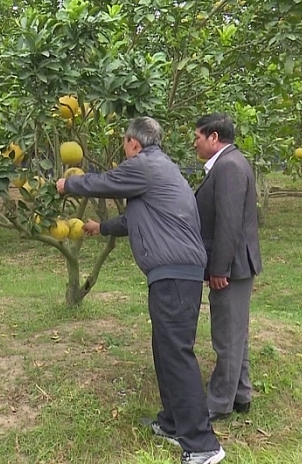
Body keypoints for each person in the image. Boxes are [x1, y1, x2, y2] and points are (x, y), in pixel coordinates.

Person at [56, 117, 225, 464]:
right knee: (165, 350)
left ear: (134, 143)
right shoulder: (160, 173)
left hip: (176, 275)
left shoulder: (146, 165)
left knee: (176, 354)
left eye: (124, 144)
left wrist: (68, 185)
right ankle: (175, 424)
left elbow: (107, 183)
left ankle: (204, 445)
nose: (123, 151)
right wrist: (100, 226)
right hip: (172, 275)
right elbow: (136, 220)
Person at [192, 112, 263, 422]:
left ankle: (219, 403)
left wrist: (219, 268)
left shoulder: (230, 167)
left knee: (226, 336)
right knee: (236, 334)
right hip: (234, 265)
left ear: (214, 138)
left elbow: (229, 223)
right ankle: (240, 395)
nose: (194, 143)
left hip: (232, 267)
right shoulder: (228, 164)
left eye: (197, 137)